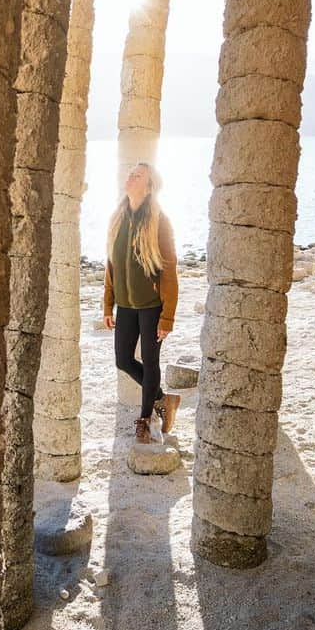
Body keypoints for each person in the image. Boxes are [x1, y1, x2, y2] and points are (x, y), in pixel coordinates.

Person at [103, 161, 180, 443]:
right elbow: (111, 265)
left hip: (151, 306)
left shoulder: (159, 220)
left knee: (150, 363)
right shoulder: (117, 218)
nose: (131, 177)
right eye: (131, 173)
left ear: (148, 187)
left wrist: (167, 316)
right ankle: (162, 398)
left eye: (138, 175)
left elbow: (169, 268)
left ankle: (146, 418)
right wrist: (107, 304)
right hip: (125, 306)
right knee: (123, 360)